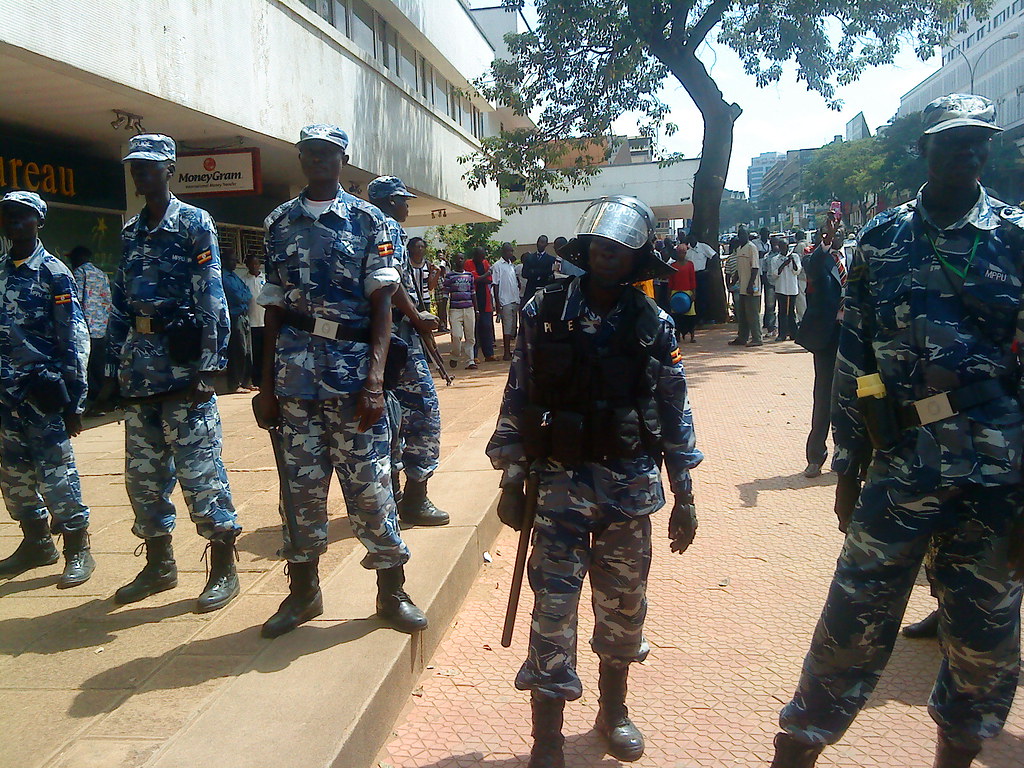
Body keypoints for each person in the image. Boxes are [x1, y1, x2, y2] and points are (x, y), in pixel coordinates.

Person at [772, 94, 1024, 768]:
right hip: (903, 457)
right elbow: (857, 353)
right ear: (924, 148)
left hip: (998, 468)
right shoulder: (882, 238)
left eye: (979, 141)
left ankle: (958, 754)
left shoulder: (1016, 233)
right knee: (851, 615)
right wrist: (849, 463)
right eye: (952, 142)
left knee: (984, 636)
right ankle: (797, 746)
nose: (968, 153)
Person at [487, 195, 703, 767]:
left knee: (622, 607)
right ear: (587, 250)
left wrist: (684, 492)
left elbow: (674, 408)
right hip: (555, 488)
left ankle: (614, 712)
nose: (609, 257)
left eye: (622, 250)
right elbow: (519, 392)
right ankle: (548, 740)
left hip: (628, 490)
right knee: (552, 610)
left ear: (637, 260)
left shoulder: (652, 322)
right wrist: (512, 477)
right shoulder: (543, 310)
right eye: (601, 247)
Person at [253, 126, 427, 639]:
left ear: (343, 159)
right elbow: (273, 308)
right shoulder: (278, 223)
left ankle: (391, 589)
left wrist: (375, 380)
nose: (320, 161)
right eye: (311, 153)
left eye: (329, 153)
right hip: (294, 377)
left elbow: (382, 308)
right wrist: (265, 387)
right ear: (302, 159)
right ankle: (303, 591)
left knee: (370, 486)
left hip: (353, 379)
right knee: (299, 490)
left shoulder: (371, 221)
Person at [101, 134, 240, 613]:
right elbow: (120, 300)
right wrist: (112, 364)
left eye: (150, 167)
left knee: (201, 473)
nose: (141, 175)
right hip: (140, 369)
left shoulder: (194, 222)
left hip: (183, 368)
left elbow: (211, 294)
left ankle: (224, 567)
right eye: (135, 168)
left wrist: (209, 365)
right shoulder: (129, 230)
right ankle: (159, 566)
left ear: (170, 170)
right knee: (143, 477)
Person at [0, 192, 94, 588]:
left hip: (42, 392)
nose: (14, 225)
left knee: (56, 473)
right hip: (5, 394)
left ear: (39, 222)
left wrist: (74, 401)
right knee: (13, 474)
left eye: (22, 218)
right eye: (7, 218)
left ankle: (77, 548)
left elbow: (73, 338)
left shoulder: (54, 272)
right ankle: (36, 543)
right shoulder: (1, 270)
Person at [367, 175, 449, 528]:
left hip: (376, 337)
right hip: (397, 335)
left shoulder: (363, 225)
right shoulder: (386, 227)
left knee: (391, 418)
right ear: (388, 201)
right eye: (402, 199)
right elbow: (391, 281)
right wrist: (417, 317)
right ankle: (414, 498)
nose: (406, 205)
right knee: (423, 413)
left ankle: (395, 496)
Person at [793, 218, 845, 478]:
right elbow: (811, 268)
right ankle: (815, 457)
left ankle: (852, 456)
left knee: (859, 396)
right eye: (832, 233)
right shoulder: (818, 259)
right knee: (824, 396)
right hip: (828, 337)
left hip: (854, 336)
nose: (837, 236)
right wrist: (823, 245)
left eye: (840, 232)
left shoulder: (858, 257)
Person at [69, 245, 111, 411]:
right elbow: (108, 301)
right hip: (100, 329)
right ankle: (101, 402)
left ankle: (89, 403)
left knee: (85, 368)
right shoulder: (101, 274)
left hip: (84, 331)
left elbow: (75, 302)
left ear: (78, 258)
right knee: (98, 366)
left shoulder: (79, 274)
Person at [221, 247, 253, 393]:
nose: (235, 263)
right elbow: (238, 296)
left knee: (247, 351)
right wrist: (243, 296)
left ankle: (247, 381)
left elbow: (247, 293)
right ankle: (235, 384)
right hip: (234, 317)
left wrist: (243, 296)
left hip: (244, 315)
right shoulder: (224, 277)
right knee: (237, 350)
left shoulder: (235, 277)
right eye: (233, 260)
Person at [728, 228, 762, 347]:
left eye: (744, 234)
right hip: (741, 287)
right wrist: (734, 280)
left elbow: (755, 268)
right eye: (739, 235)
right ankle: (742, 337)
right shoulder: (739, 249)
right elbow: (738, 268)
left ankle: (757, 338)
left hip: (752, 287)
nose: (741, 237)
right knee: (742, 314)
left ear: (748, 235)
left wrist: (750, 284)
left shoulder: (751, 248)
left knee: (752, 313)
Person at [443, 254, 476, 370]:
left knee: (470, 337)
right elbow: (445, 295)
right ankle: (455, 355)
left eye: (462, 258)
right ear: (454, 261)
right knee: (456, 336)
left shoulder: (469, 275)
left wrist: (475, 310)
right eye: (458, 259)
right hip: (455, 310)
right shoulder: (449, 276)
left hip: (469, 308)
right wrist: (442, 313)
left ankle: (470, 361)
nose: (460, 260)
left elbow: (473, 293)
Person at [239, 252, 266, 388]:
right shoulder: (243, 280)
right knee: (254, 354)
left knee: (266, 353)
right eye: (251, 264)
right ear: (247, 265)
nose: (254, 266)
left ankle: (267, 379)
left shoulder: (265, 279)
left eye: (256, 263)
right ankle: (256, 380)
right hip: (252, 322)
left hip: (266, 322)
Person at [464, 246, 497, 362]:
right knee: (474, 328)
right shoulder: (468, 263)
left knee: (487, 327)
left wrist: (482, 277)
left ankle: (489, 354)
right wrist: (485, 275)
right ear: (475, 255)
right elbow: (472, 279)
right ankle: (475, 355)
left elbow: (489, 280)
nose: (482, 259)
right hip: (473, 300)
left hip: (485, 300)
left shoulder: (485, 263)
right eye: (480, 256)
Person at [492, 242, 521, 361]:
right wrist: (498, 305)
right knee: (507, 327)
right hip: (505, 301)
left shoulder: (511, 266)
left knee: (514, 327)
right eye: (508, 251)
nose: (510, 253)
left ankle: (512, 350)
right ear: (503, 252)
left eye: (511, 251)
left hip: (515, 299)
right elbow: (495, 285)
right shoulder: (497, 266)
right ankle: (506, 352)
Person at [771, 238, 801, 342]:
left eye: (787, 247)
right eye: (783, 247)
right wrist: (784, 264)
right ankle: (782, 334)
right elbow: (775, 274)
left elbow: (797, 271)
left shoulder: (795, 257)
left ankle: (793, 333)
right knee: (782, 312)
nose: (785, 249)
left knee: (791, 312)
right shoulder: (775, 259)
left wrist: (792, 261)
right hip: (781, 289)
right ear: (779, 247)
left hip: (792, 288)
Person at [668, 240, 697, 343]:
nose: (682, 254)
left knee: (691, 315)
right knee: (677, 316)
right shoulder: (673, 266)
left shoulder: (690, 265)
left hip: (688, 292)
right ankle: (678, 335)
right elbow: (671, 281)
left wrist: (694, 292)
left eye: (683, 252)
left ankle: (692, 336)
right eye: (680, 252)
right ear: (677, 253)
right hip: (675, 292)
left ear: (686, 253)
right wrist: (669, 294)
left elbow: (692, 279)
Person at [521, 235, 555, 300]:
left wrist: (534, 271)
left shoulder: (551, 259)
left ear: (546, 244)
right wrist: (542, 272)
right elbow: (524, 274)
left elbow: (550, 273)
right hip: (530, 290)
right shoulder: (529, 258)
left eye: (542, 242)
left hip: (544, 289)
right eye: (539, 242)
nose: (540, 244)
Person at [758, 227, 777, 335]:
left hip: (782, 284)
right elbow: (764, 270)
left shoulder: (787, 256)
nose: (775, 246)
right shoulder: (767, 257)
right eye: (774, 244)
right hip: (769, 283)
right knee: (770, 306)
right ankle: (771, 327)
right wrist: (767, 282)